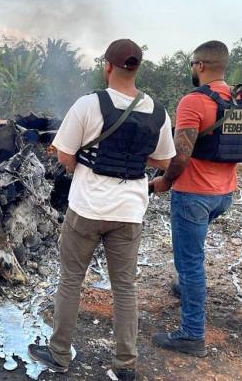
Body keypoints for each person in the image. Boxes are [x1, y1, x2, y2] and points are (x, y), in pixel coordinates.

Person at [28, 39, 176, 380]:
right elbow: (164, 160)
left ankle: (60, 353)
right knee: (125, 287)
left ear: (107, 66)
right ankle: (125, 366)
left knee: (71, 280)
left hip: (86, 209)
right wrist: (135, 158)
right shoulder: (158, 112)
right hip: (129, 213)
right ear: (137, 68)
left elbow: (64, 155)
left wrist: (80, 162)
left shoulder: (88, 104)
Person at [150, 40, 242, 356]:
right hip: (224, 195)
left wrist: (166, 181)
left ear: (199, 66)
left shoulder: (193, 102)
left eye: (191, 66)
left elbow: (181, 156)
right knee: (192, 256)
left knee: (191, 261)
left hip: (193, 195)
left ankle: (192, 335)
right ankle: (185, 288)